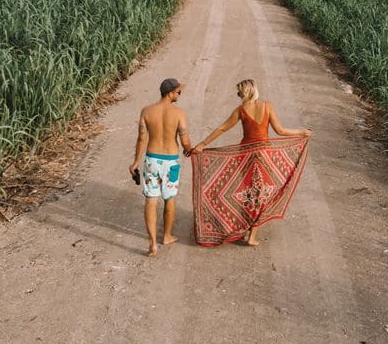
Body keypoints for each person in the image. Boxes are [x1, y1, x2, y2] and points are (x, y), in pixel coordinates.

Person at [191, 78, 312, 246]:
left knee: (247, 191)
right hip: (263, 154)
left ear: (245, 92)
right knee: (261, 192)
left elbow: (222, 128)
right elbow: (280, 130)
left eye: (239, 92)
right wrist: (302, 132)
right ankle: (251, 235)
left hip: (245, 154)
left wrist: (202, 144)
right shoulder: (267, 107)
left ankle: (245, 229)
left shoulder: (241, 110)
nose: (237, 94)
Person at [130, 78, 192, 257]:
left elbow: (142, 138)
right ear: (171, 93)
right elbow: (185, 139)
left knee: (151, 199)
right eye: (178, 92)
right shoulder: (179, 113)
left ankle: (153, 244)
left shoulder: (147, 111)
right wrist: (189, 150)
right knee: (169, 198)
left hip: (152, 160)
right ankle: (166, 235)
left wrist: (135, 162)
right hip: (171, 162)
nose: (179, 95)